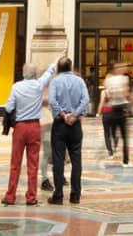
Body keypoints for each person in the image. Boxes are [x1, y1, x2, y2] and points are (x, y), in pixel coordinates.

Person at [3, 60, 59, 206]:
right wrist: (56, 61)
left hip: (20, 128)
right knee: (33, 164)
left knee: (15, 164)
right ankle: (31, 197)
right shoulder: (39, 85)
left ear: (23, 73)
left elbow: (9, 108)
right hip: (34, 127)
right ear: (35, 74)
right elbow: (49, 72)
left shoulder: (16, 87)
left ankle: (10, 196)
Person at [47, 56, 90, 204]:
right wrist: (75, 115)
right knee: (76, 159)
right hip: (75, 125)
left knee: (58, 160)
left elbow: (52, 100)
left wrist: (64, 115)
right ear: (71, 67)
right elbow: (85, 100)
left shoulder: (55, 81)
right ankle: (75, 195)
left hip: (60, 124)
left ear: (58, 68)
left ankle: (58, 195)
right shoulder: (79, 81)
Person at [102, 62, 130, 164]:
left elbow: (108, 94)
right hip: (121, 109)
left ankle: (113, 148)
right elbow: (125, 93)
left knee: (113, 131)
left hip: (113, 109)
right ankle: (125, 160)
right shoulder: (124, 79)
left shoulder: (108, 80)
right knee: (125, 136)